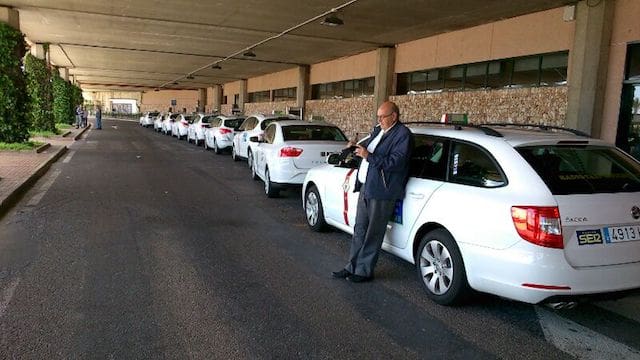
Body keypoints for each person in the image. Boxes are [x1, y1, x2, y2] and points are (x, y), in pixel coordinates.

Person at [332, 101, 413, 283]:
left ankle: (364, 270)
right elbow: (368, 150)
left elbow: (396, 162)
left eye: (383, 117)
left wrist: (369, 156)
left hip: (383, 191)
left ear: (394, 116)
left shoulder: (402, 135)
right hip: (367, 187)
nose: (379, 120)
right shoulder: (378, 131)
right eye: (378, 116)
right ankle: (351, 266)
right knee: (359, 229)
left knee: (373, 233)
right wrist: (355, 148)